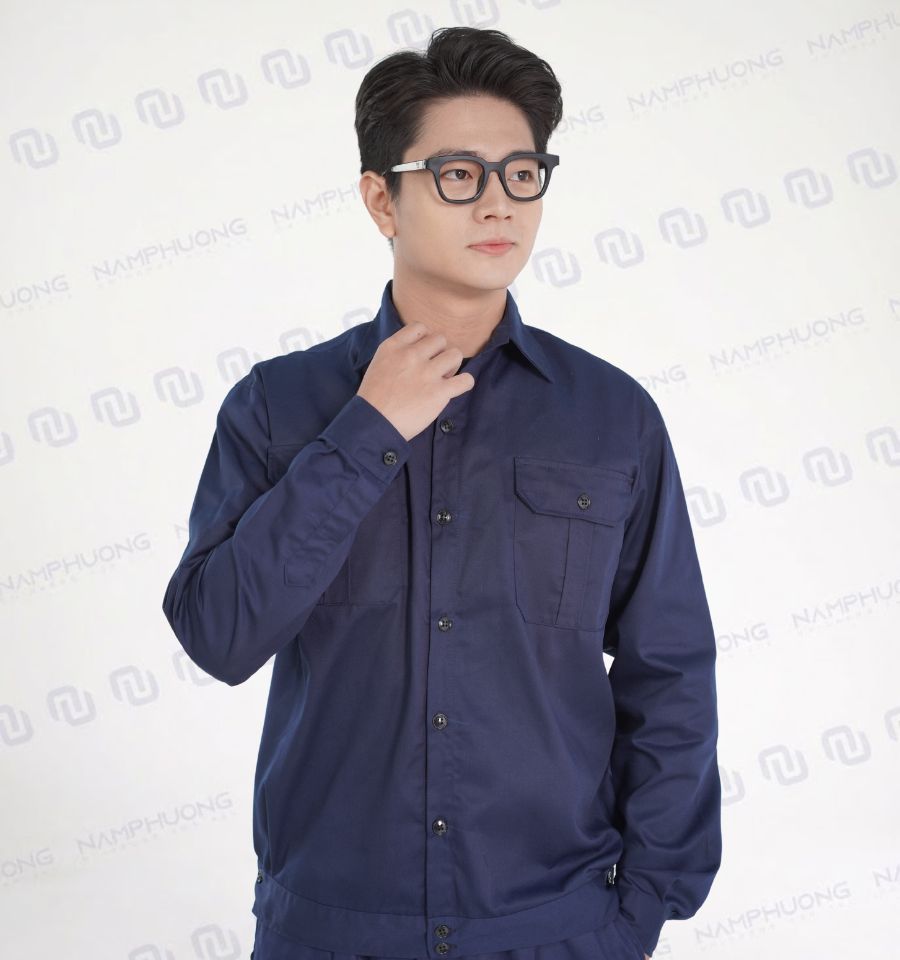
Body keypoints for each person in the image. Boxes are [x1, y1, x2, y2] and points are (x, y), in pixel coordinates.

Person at [162, 25, 721, 960]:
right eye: (459, 174)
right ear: (382, 199)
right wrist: (366, 433)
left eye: (522, 173)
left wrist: (641, 912)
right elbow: (218, 634)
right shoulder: (277, 406)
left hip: (558, 926)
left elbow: (670, 672)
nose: (498, 202)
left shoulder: (611, 417)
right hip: (330, 929)